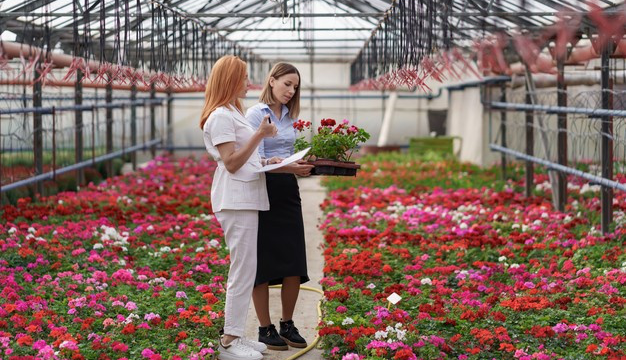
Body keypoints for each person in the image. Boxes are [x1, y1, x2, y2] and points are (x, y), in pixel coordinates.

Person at [200, 55, 280, 360]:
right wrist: (259, 134)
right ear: (231, 81)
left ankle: (237, 334)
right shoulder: (220, 116)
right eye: (244, 77)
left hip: (245, 198)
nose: (248, 83)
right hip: (235, 200)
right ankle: (230, 341)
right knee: (242, 270)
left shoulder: (233, 112)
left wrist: (266, 161)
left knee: (247, 268)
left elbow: (242, 158)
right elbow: (232, 163)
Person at [246, 63, 314, 351]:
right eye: (287, 84)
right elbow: (253, 160)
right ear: (271, 81)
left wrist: (300, 166)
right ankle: (265, 328)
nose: (291, 91)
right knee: (261, 261)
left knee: (293, 259)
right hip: (262, 190)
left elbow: (287, 154)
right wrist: (284, 166)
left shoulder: (289, 117)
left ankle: (287, 323)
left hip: (287, 191)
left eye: (295, 86)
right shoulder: (254, 114)